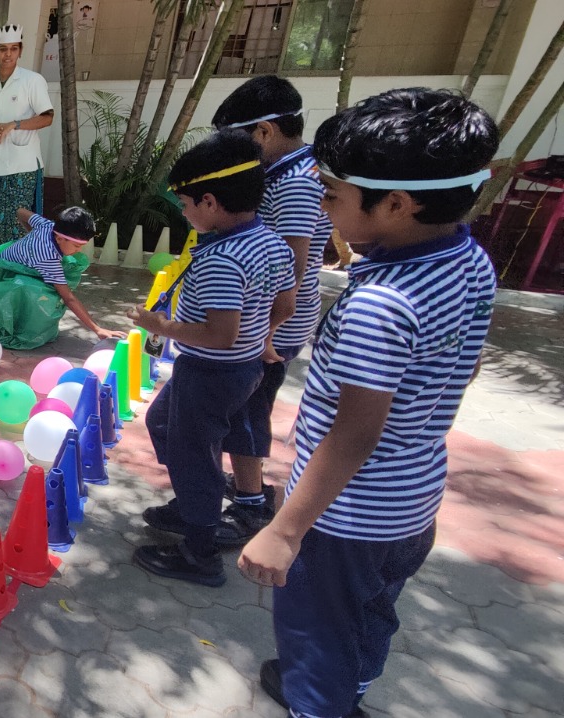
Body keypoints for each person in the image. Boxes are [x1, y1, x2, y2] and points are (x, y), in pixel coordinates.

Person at [237, 88, 499, 718]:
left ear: (397, 204)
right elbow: (465, 364)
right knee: (369, 610)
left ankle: (319, 702)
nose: (321, 201)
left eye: (332, 194)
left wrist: (285, 529)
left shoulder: (380, 306)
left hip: (345, 519)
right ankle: (345, 690)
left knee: (316, 632)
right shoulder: (470, 259)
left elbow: (354, 434)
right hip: (413, 500)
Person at [125, 129, 296, 587]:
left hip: (211, 371)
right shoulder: (271, 242)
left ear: (210, 202)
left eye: (185, 204)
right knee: (163, 424)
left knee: (194, 455)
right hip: (241, 369)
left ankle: (199, 552)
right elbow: (286, 305)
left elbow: (220, 334)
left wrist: (162, 327)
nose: (183, 212)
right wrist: (262, 339)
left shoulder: (222, 259)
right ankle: (192, 502)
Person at [210, 75, 334, 545]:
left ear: (264, 131)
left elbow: (293, 269)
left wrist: (264, 333)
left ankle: (250, 505)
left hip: (273, 323)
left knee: (246, 410)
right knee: (245, 405)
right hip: (267, 319)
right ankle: (248, 485)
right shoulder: (288, 172)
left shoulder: (297, 184)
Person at [0, 23, 55, 280]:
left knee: (18, 221)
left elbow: (47, 117)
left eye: (13, 49)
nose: (8, 54)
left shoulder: (32, 81)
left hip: (22, 165)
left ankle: (17, 276)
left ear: (20, 51)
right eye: (3, 49)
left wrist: (14, 125)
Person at [0, 206, 124, 345]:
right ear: (59, 238)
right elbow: (68, 297)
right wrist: (97, 329)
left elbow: (20, 212)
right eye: (77, 246)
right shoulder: (48, 259)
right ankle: (17, 326)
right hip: (5, 270)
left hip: (17, 258)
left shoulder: (47, 225)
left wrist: (31, 234)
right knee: (44, 294)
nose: (79, 250)